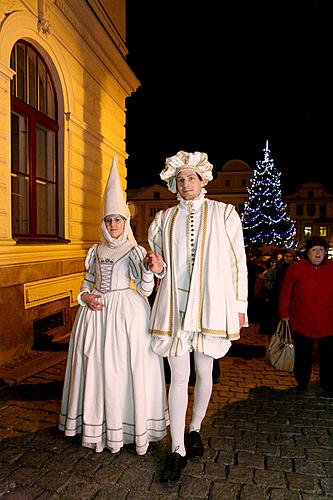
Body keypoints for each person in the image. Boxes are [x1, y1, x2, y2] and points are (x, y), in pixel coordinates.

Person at [145, 150, 248, 483]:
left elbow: (237, 262)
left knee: (204, 370)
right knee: (177, 376)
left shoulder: (224, 214)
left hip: (210, 305)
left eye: (191, 177)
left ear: (203, 180)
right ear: (175, 185)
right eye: (180, 179)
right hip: (174, 308)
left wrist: (240, 303)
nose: (186, 183)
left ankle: (194, 428)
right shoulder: (163, 220)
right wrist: (154, 266)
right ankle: (177, 449)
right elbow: (155, 259)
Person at [59, 157, 168, 455]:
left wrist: (148, 270)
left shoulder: (135, 250)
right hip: (95, 316)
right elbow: (86, 283)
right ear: (104, 223)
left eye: (118, 219)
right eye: (109, 220)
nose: (113, 224)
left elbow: (145, 290)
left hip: (126, 316)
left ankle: (127, 426)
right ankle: (96, 426)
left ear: (126, 221)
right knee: (95, 367)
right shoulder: (94, 251)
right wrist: (86, 298)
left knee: (123, 369)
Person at [279, 236, 333, 395]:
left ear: (325, 253)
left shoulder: (332, 268)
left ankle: (328, 384)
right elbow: (286, 292)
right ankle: (302, 382)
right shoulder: (295, 269)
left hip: (328, 322)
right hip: (301, 320)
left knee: (329, 356)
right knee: (303, 354)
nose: (318, 253)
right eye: (314, 250)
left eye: (321, 250)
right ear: (307, 253)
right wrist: (284, 313)